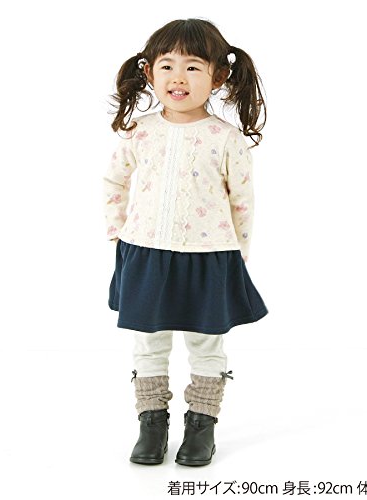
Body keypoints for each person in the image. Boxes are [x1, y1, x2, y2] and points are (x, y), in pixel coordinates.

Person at [102, 18, 269, 466]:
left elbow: (242, 201)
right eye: (168, 66)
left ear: (219, 76)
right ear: (148, 71)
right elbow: (114, 180)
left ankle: (202, 425)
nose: (179, 77)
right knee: (149, 341)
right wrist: (118, 234)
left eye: (193, 67)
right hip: (145, 253)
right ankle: (151, 425)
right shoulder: (140, 131)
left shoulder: (226, 139)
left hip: (208, 257)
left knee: (205, 341)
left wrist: (238, 254)